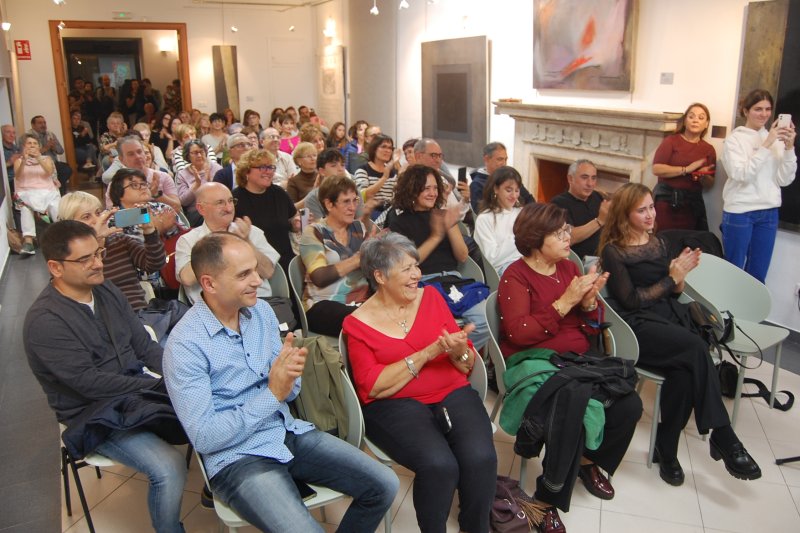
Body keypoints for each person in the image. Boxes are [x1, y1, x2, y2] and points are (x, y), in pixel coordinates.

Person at [163, 232, 398, 532]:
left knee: (384, 484)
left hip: (286, 432)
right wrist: (273, 393)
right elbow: (205, 437)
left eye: (255, 269)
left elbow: (288, 391)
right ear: (209, 284)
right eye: (244, 274)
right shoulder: (186, 345)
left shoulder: (261, 312)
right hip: (238, 458)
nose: (258, 280)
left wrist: (288, 378)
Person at [24, 220, 187, 533]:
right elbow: (90, 383)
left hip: (135, 394)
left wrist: (177, 372)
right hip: (94, 413)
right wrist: (158, 385)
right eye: (85, 259)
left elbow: (143, 345)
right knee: (169, 467)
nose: (98, 264)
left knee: (213, 420)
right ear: (55, 267)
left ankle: (217, 487)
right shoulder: (45, 322)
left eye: (98, 254)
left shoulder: (105, 290)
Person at [599, 183, 762, 486]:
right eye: (641, 210)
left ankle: (667, 448)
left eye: (651, 207)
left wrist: (679, 279)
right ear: (624, 214)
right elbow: (630, 300)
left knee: (685, 371)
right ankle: (724, 436)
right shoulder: (614, 251)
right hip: (637, 325)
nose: (650, 214)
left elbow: (674, 292)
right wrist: (670, 278)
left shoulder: (659, 242)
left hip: (666, 316)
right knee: (696, 349)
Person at [498, 202, 642, 532]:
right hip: (534, 360)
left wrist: (588, 304)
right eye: (559, 233)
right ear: (536, 238)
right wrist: (564, 302)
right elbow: (519, 334)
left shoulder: (567, 267)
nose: (568, 238)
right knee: (571, 410)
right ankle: (546, 500)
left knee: (630, 403)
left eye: (567, 230)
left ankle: (588, 462)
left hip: (577, 360)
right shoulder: (515, 276)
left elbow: (590, 326)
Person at [343, 232, 496, 532]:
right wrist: (427, 353)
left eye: (416, 266)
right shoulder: (358, 323)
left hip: (452, 391)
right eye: (407, 269)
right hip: (395, 404)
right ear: (380, 276)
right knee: (440, 465)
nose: (417, 275)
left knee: (481, 458)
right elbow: (372, 386)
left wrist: (459, 351)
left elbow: (465, 365)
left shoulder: (432, 298)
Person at [388, 164, 490, 351]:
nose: (433, 193)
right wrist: (436, 236)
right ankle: (442, 356)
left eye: (435, 188)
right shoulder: (399, 221)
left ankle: (454, 355)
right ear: (412, 189)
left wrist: (449, 225)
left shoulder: (442, 215)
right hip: (421, 284)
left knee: (484, 321)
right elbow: (408, 263)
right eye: (426, 188)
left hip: (453, 281)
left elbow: (462, 255)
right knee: (435, 329)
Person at [720, 89, 797, 282]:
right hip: (740, 212)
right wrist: (766, 145)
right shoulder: (734, 140)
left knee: (758, 275)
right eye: (758, 109)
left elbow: (784, 180)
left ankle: (751, 304)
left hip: (769, 212)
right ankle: (730, 303)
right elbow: (741, 174)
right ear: (746, 111)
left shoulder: (776, 139)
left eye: (768, 109)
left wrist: (789, 148)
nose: (764, 114)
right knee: (733, 272)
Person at [59, 190, 166, 313]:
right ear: (71, 225)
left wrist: (149, 231)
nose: (97, 219)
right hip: (100, 317)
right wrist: (95, 243)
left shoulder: (120, 240)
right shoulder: (69, 255)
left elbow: (155, 264)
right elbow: (81, 290)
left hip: (136, 312)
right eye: (86, 217)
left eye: (98, 213)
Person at [175, 182, 280, 306]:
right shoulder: (188, 240)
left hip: (259, 303)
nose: (229, 208)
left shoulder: (250, 232)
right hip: (212, 310)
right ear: (201, 209)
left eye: (231, 201)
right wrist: (215, 242)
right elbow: (187, 279)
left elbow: (268, 272)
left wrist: (247, 241)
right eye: (220, 203)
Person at [299, 175, 375, 337]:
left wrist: (379, 250)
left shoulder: (359, 228)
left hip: (361, 302)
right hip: (323, 305)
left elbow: (372, 268)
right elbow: (320, 277)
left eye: (355, 200)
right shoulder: (314, 232)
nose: (353, 207)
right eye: (346, 201)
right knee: (367, 319)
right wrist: (357, 259)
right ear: (329, 204)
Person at [651, 103, 717, 231]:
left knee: (689, 239)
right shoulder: (671, 141)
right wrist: (687, 169)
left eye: (701, 118)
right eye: (691, 117)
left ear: (706, 124)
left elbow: (709, 184)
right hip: (667, 202)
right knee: (664, 237)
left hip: (691, 206)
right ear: (685, 121)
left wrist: (702, 176)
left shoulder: (708, 149)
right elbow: (657, 169)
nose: (695, 120)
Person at [233, 148, 297, 272]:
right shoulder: (235, 200)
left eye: (271, 167)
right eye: (263, 167)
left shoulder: (279, 193)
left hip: (286, 261)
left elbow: (291, 221)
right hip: (256, 265)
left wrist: (296, 224)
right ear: (246, 171)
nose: (269, 171)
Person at [103, 136, 182, 213]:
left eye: (139, 152)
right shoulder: (116, 184)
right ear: (121, 159)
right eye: (131, 154)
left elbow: (177, 208)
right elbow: (112, 215)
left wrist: (157, 195)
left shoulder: (163, 177)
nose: (137, 156)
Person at [551, 159, 609, 259]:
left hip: (605, 256)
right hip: (581, 261)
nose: (590, 184)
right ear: (570, 179)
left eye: (593, 178)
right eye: (584, 177)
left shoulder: (597, 196)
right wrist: (599, 221)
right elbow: (569, 237)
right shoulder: (558, 203)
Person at [14, 133, 60, 255]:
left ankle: (62, 236)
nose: (32, 146)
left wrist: (38, 158)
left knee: (55, 207)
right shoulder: (19, 161)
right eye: (29, 143)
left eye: (35, 143)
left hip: (47, 191)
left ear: (39, 146)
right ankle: (28, 242)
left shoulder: (46, 159)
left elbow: (49, 172)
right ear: (24, 146)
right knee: (25, 209)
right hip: (27, 192)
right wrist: (24, 160)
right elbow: (18, 176)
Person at [473, 166, 523, 274]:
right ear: (496, 189)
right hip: (503, 269)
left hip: (528, 262)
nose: (514, 195)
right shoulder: (485, 219)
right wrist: (521, 238)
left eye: (517, 190)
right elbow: (492, 258)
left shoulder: (522, 212)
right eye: (508, 190)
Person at [470, 142, 534, 212]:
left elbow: (529, 199)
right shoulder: (477, 184)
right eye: (500, 159)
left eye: (505, 159)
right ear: (487, 159)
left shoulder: (511, 177)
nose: (504, 163)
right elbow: (479, 211)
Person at [175, 140, 223, 226]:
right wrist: (197, 184)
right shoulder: (182, 174)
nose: (199, 155)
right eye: (195, 153)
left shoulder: (217, 168)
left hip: (218, 207)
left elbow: (223, 193)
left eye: (201, 151)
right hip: (196, 212)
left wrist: (209, 182)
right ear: (188, 156)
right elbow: (183, 201)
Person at [353, 134, 400, 220]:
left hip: (390, 211)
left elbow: (397, 196)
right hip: (371, 212)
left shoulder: (392, 172)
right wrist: (384, 178)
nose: (388, 151)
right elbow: (363, 196)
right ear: (374, 149)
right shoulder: (363, 170)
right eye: (384, 147)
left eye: (390, 148)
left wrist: (397, 166)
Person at [28, 115, 72, 194]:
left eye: (44, 123)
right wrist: (45, 148)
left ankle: (60, 192)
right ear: (33, 125)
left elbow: (61, 151)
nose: (43, 125)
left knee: (67, 170)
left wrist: (54, 147)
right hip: (38, 165)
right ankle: (55, 192)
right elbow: (29, 154)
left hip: (53, 164)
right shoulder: (28, 137)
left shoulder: (51, 134)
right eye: (40, 123)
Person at [286, 142, 318, 207]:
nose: (313, 159)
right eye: (308, 156)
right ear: (299, 161)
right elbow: (292, 208)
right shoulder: (293, 181)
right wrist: (313, 194)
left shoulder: (323, 176)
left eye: (314, 155)